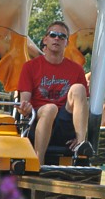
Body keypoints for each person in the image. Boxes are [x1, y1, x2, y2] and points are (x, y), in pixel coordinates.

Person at [16, 21, 93, 162]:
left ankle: (81, 145)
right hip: (38, 118)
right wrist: (24, 107)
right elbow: (24, 101)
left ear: (67, 43)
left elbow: (83, 103)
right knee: (50, 109)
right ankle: (38, 161)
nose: (57, 38)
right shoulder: (30, 67)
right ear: (45, 40)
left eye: (62, 36)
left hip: (64, 121)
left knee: (79, 88)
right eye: (53, 35)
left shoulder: (77, 70)